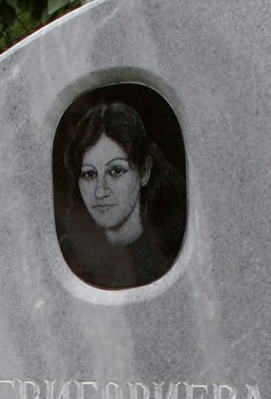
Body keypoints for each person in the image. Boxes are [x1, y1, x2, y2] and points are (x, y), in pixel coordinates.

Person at [58, 100, 181, 290]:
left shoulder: (173, 248)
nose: (100, 191)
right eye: (89, 174)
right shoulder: (69, 252)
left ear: (144, 172)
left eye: (116, 171)